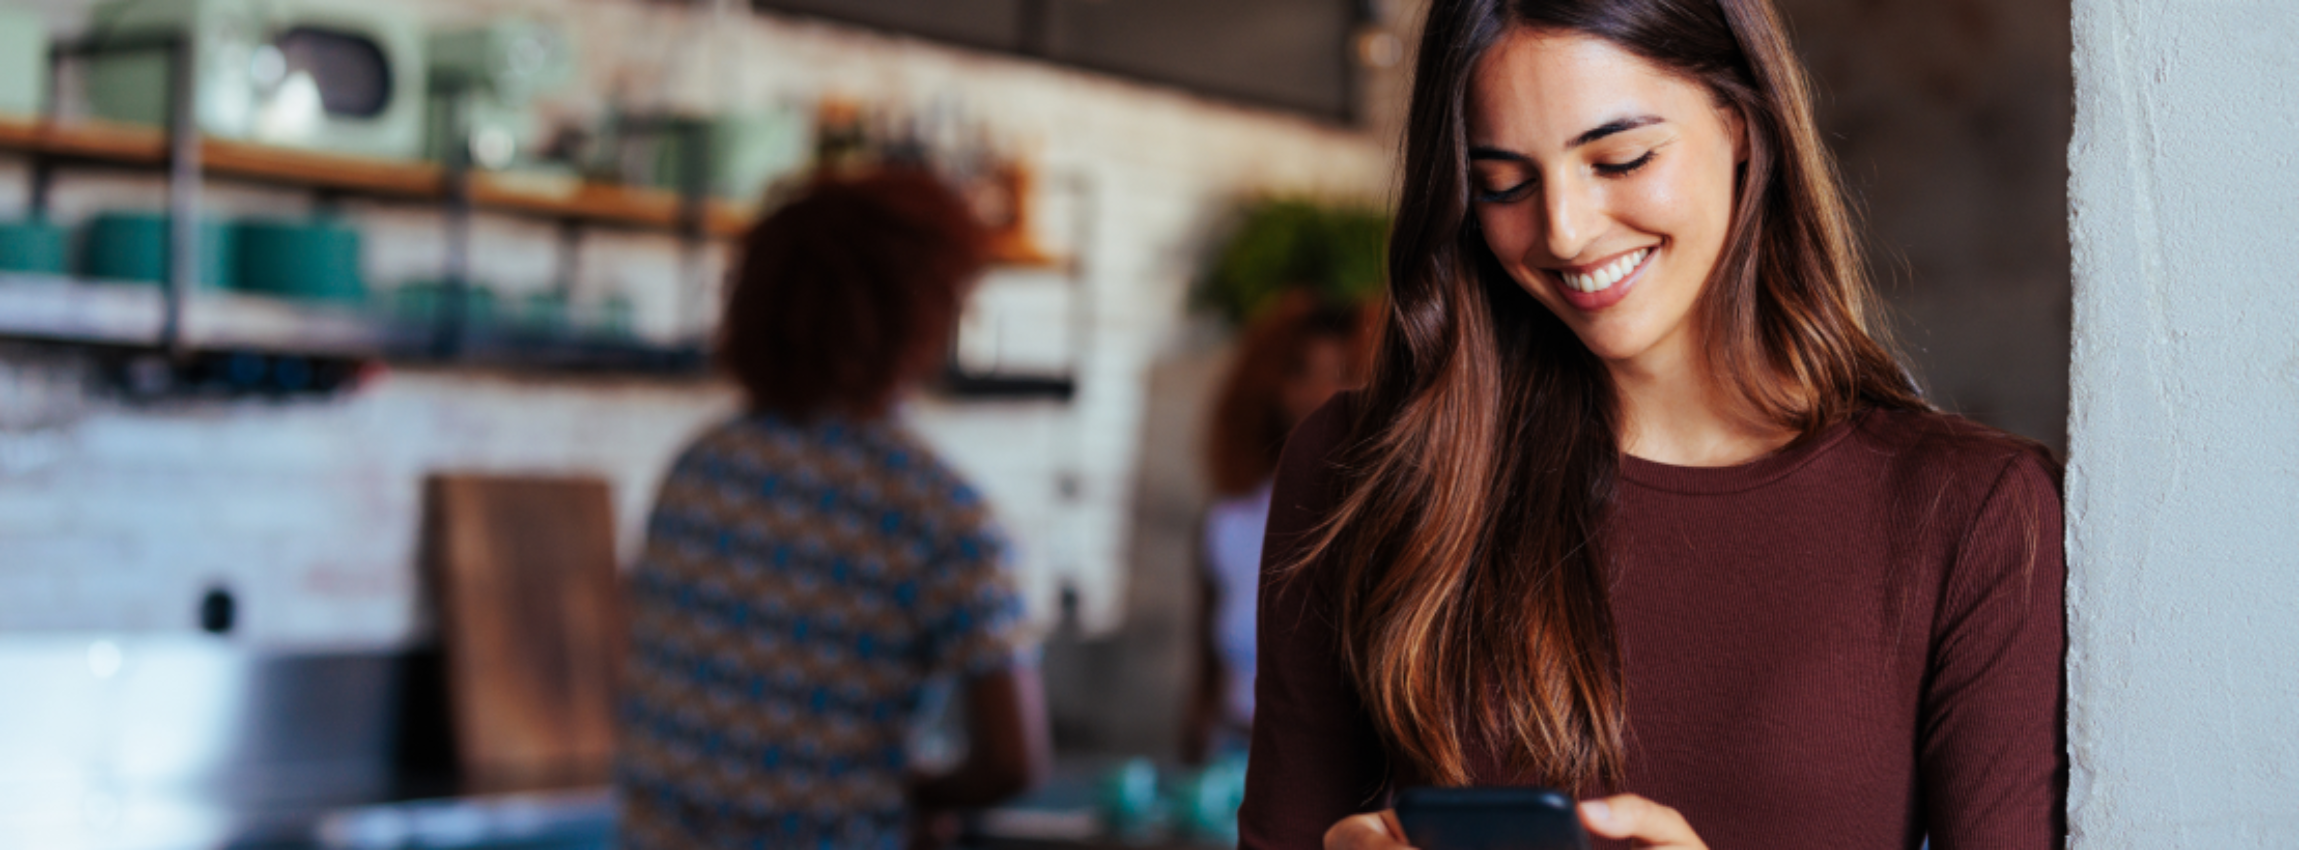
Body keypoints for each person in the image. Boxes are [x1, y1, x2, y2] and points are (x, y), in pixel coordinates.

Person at [1237, 1, 2065, 848]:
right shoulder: (1362, 467)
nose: (1563, 229)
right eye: (1503, 184)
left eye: (1620, 158)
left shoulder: (1970, 513)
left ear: (1740, 121)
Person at [618, 169, 1052, 850]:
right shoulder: (937, 512)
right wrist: (915, 795)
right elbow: (1014, 759)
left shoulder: (700, 464)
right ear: (921, 315)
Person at [1185, 292, 1373, 764]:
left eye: (1342, 375)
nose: (1319, 396)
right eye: (1299, 372)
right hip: (1234, 760)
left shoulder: (1386, 520)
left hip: (1340, 771)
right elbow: (1205, 674)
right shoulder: (1228, 518)